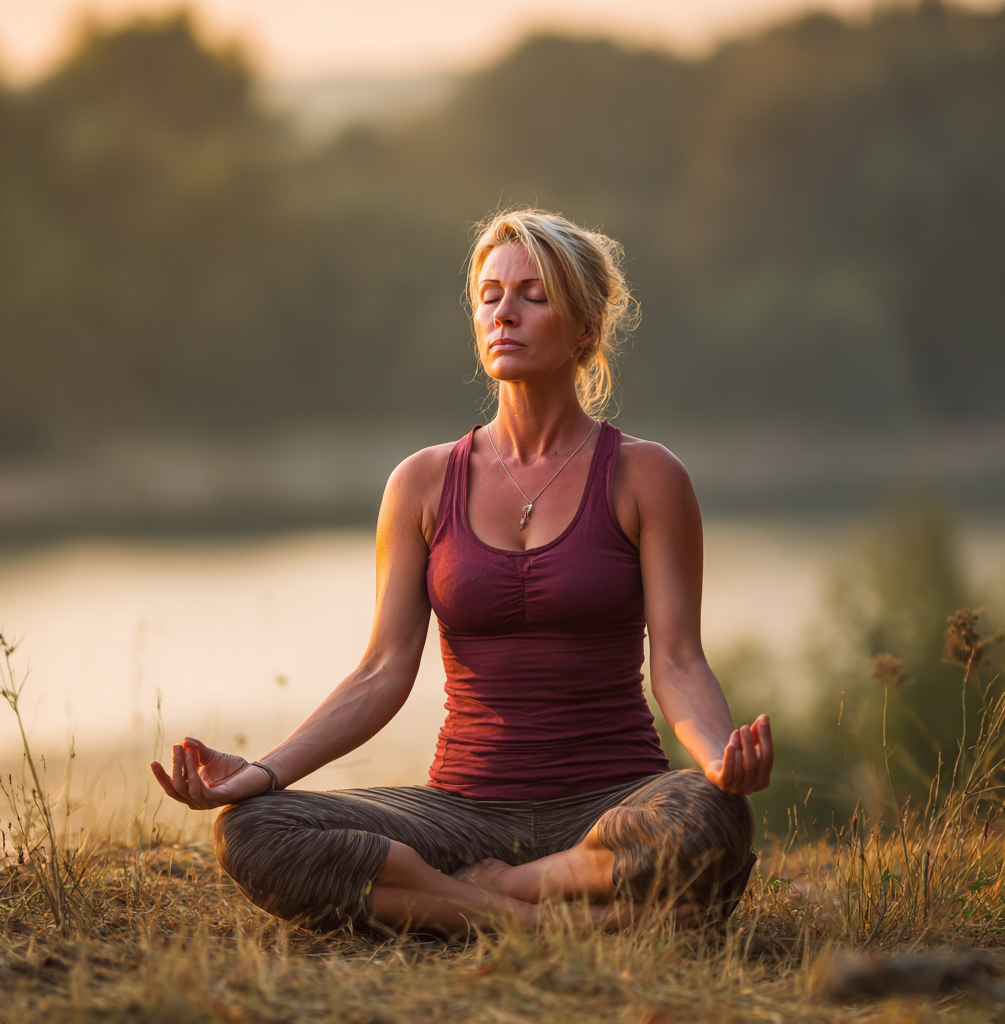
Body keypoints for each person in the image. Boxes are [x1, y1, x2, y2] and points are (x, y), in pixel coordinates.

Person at [151, 209, 773, 938]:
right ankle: (561, 923)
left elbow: (676, 659)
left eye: (532, 296)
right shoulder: (420, 483)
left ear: (586, 328)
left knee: (711, 817)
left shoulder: (645, 475)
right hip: (459, 810)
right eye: (488, 295)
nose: (503, 312)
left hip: (613, 800)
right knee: (252, 831)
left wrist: (717, 760)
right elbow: (382, 670)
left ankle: (488, 892)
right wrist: (262, 774)